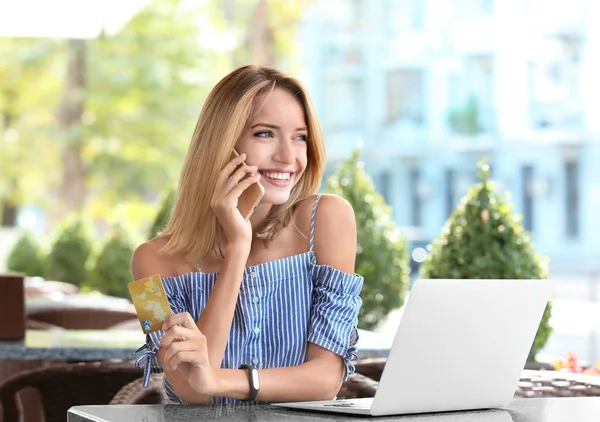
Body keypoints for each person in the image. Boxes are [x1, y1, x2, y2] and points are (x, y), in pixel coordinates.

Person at [131, 65, 364, 405]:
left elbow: (326, 378)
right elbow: (190, 391)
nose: (288, 157)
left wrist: (218, 380)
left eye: (300, 137)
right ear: (220, 144)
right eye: (265, 134)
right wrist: (238, 246)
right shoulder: (147, 263)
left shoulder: (329, 219)